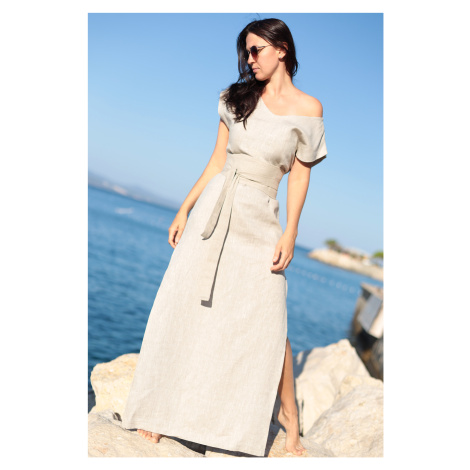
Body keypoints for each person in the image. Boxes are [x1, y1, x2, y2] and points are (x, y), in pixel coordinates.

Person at [121, 17, 328, 457]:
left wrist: (291, 231)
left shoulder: (309, 109)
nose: (249, 59)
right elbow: (217, 161)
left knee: (270, 316)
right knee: (186, 304)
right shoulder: (235, 98)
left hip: (262, 215)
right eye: (246, 52)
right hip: (215, 209)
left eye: (256, 50)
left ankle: (288, 415)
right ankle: (160, 406)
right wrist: (185, 207)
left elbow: (299, 177)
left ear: (282, 49)